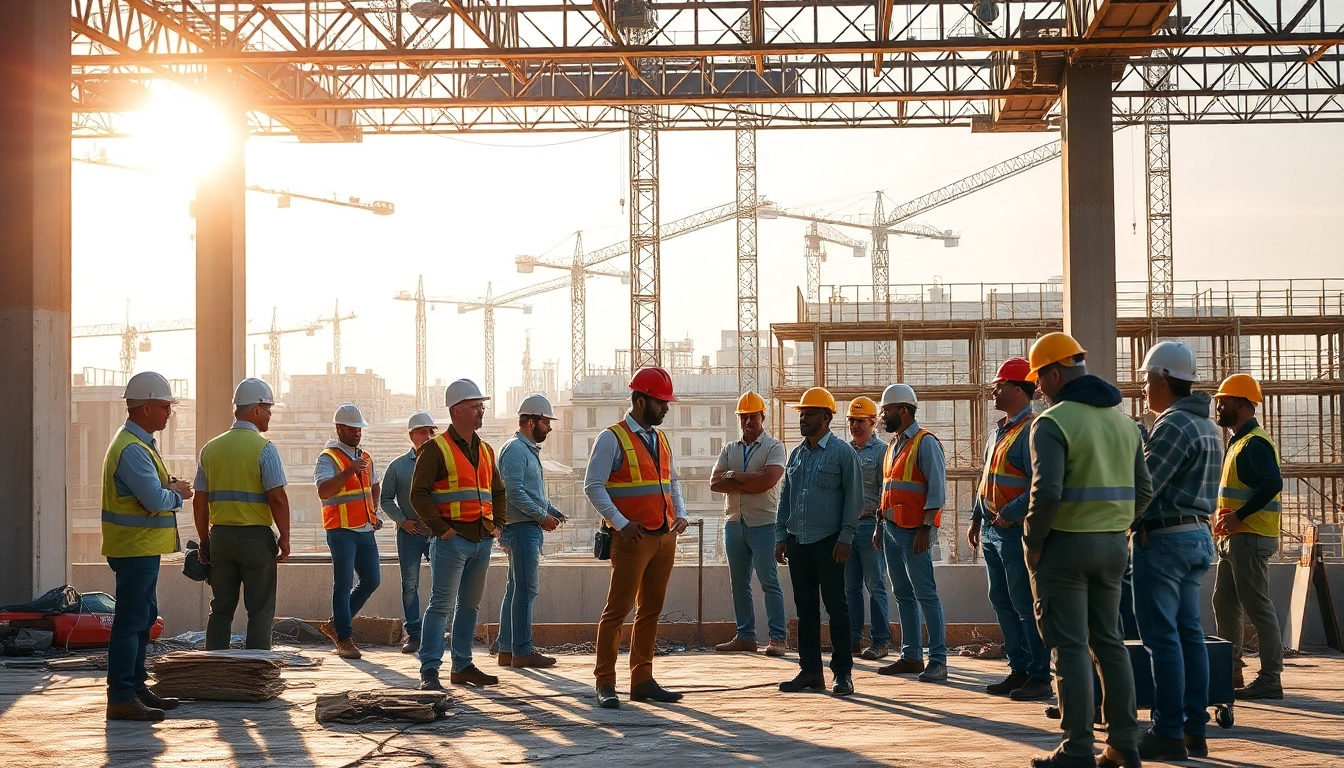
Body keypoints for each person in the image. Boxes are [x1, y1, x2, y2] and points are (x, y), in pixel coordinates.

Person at [1022, 333, 1152, 768]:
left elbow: (1046, 493)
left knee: (1070, 648)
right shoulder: (1124, 423)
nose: (1037, 388)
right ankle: (1123, 746)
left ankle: (1077, 749)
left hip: (1063, 550)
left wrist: (1033, 543)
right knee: (1110, 644)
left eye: (1039, 379)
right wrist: (1116, 527)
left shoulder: (1053, 423)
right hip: (1114, 548)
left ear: (1055, 374)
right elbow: (1145, 491)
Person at [1132, 342, 1223, 761]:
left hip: (1165, 539)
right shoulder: (1206, 426)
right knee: (1189, 636)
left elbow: (1145, 487)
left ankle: (1167, 732)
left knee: (1162, 639)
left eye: (1147, 381)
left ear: (1163, 379)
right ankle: (1192, 730)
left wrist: (1111, 526)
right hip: (1197, 536)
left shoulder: (1173, 425)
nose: (1143, 390)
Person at [587, 367, 690, 709]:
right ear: (640, 400)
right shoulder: (611, 438)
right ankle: (605, 683)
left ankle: (642, 679)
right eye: (661, 402)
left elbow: (671, 481)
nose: (666, 409)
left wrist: (681, 514)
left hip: (664, 536)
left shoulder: (660, 439)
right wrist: (619, 523)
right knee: (617, 611)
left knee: (651, 610)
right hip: (632, 539)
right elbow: (593, 486)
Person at [101, 372, 194, 722]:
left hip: (140, 547)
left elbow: (152, 494)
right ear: (145, 408)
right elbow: (154, 499)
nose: (169, 412)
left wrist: (164, 490)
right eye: (164, 406)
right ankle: (123, 694)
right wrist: (178, 494)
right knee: (131, 621)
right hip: (134, 547)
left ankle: (135, 688)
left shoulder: (139, 445)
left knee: (141, 619)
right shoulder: (132, 449)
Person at [410, 379, 507, 691]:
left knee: (469, 607)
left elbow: (499, 492)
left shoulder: (487, 450)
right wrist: (443, 530)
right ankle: (430, 670)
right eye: (476, 406)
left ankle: (462, 665)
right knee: (441, 605)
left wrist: (498, 524)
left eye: (481, 406)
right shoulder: (435, 450)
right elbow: (418, 495)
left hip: (481, 541)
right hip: (453, 542)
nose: (481, 411)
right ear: (457, 412)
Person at [967, 357, 1052, 701]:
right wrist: (976, 517)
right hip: (991, 529)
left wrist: (1010, 514)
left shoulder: (1033, 430)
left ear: (1017, 390)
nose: (993, 392)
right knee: (1000, 599)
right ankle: (1018, 668)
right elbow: (986, 478)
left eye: (998, 387)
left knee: (1023, 603)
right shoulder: (998, 431)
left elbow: (1038, 484)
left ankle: (1038, 674)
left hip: (1013, 531)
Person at [775, 387, 863, 697]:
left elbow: (855, 497)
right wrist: (781, 536)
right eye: (802, 414)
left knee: (837, 607)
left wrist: (846, 537)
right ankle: (810, 670)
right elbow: (786, 497)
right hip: (799, 543)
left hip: (830, 543)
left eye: (810, 414)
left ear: (826, 418)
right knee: (805, 609)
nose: (804, 419)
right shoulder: (797, 454)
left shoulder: (842, 453)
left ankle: (842, 673)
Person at [193, 378, 291, 652]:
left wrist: (205, 540)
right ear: (257, 410)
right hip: (255, 540)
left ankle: (213, 673)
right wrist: (285, 537)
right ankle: (255, 674)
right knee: (259, 610)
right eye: (269, 409)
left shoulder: (210, 449)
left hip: (221, 538)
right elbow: (278, 498)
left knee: (221, 608)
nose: (270, 415)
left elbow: (199, 502)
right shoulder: (264, 449)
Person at [1210, 373, 1285, 702]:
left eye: (1223, 402)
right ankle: (1232, 670)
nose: (1218, 407)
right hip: (1235, 538)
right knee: (1223, 601)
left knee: (1257, 607)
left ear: (1241, 404)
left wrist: (1239, 517)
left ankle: (1270, 678)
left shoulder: (1253, 442)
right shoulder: (1237, 441)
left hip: (1250, 537)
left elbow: (1272, 482)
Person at [874, 383, 949, 683]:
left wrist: (926, 527)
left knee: (925, 593)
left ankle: (938, 660)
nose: (883, 416)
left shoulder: (925, 442)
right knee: (902, 593)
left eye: (887, 410)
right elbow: (889, 489)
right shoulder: (893, 445)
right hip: (891, 529)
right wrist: (880, 527)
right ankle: (911, 656)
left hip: (914, 531)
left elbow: (937, 490)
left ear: (903, 411)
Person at [710, 391, 788, 657]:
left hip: (764, 523)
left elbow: (767, 481)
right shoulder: (729, 448)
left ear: (762, 417)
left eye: (752, 417)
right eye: (743, 417)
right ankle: (745, 635)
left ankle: (778, 637)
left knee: (769, 580)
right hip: (734, 523)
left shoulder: (774, 447)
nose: (747, 422)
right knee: (739, 581)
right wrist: (749, 479)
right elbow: (714, 483)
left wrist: (734, 477)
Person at [497, 394, 568, 669]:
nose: (549, 428)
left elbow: (528, 491)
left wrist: (551, 510)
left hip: (523, 526)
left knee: (514, 589)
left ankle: (506, 649)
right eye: (546, 422)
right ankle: (522, 651)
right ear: (530, 422)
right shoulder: (516, 450)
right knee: (525, 590)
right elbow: (513, 492)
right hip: (522, 529)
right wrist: (542, 517)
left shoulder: (523, 449)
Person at [315, 403, 383, 660]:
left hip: (365, 529)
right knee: (342, 585)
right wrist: (348, 472)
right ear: (339, 428)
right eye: (353, 429)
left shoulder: (365, 457)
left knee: (372, 579)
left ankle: (336, 624)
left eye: (359, 429)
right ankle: (344, 638)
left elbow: (375, 484)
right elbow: (324, 490)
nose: (357, 433)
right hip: (341, 530)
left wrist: (374, 510)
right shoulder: (328, 458)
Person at [381, 411, 438, 654]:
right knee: (410, 584)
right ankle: (414, 634)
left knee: (443, 582)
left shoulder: (441, 464)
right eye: (422, 432)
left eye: (430, 432)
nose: (427, 436)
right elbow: (385, 500)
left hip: (436, 533)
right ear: (411, 435)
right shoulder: (399, 467)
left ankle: (436, 632)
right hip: (410, 534)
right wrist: (403, 521)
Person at [843, 396, 892, 660]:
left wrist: (881, 525)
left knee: (875, 585)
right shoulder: (845, 451)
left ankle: (881, 641)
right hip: (848, 529)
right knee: (850, 587)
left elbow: (887, 491)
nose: (855, 426)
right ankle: (852, 640)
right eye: (852, 421)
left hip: (871, 524)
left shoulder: (882, 452)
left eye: (860, 421)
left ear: (872, 423)